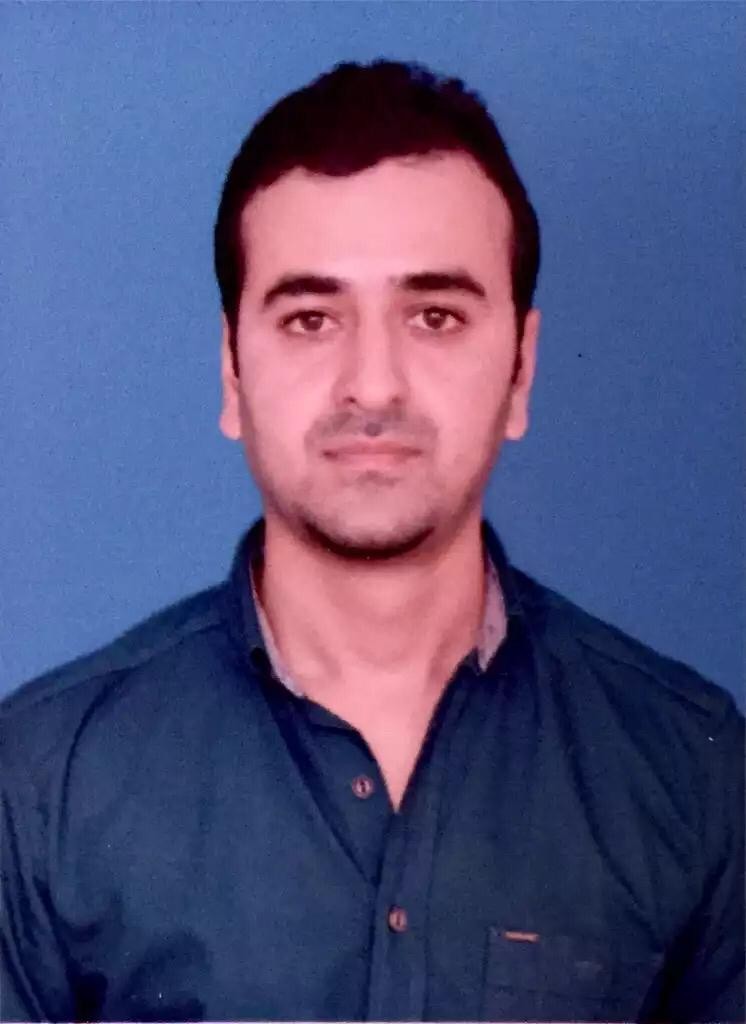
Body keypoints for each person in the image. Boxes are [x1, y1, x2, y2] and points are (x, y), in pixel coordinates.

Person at [1, 58, 743, 1024]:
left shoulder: (693, 771)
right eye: (311, 319)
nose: (374, 383)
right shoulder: (42, 783)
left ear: (521, 370)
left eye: (435, 316)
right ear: (231, 373)